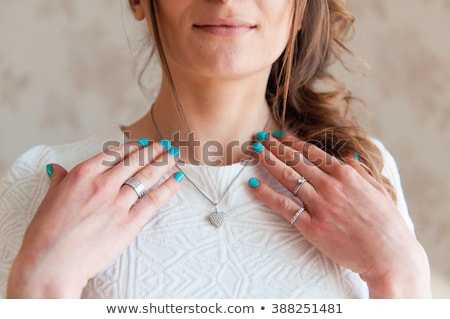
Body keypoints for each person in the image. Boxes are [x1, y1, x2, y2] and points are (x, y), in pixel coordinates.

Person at [0, 0, 431, 298]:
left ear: (300, 8)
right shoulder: (42, 178)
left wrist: (403, 280)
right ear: (138, 1)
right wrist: (40, 289)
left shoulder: (365, 178)